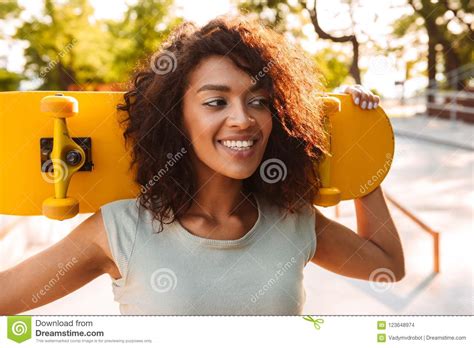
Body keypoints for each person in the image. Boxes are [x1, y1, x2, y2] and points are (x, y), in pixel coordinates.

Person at [0, 15, 403, 315]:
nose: (243, 119)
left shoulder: (294, 219)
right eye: (216, 102)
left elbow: (387, 265)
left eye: (258, 101)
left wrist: (358, 146)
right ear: (176, 119)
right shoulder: (120, 229)